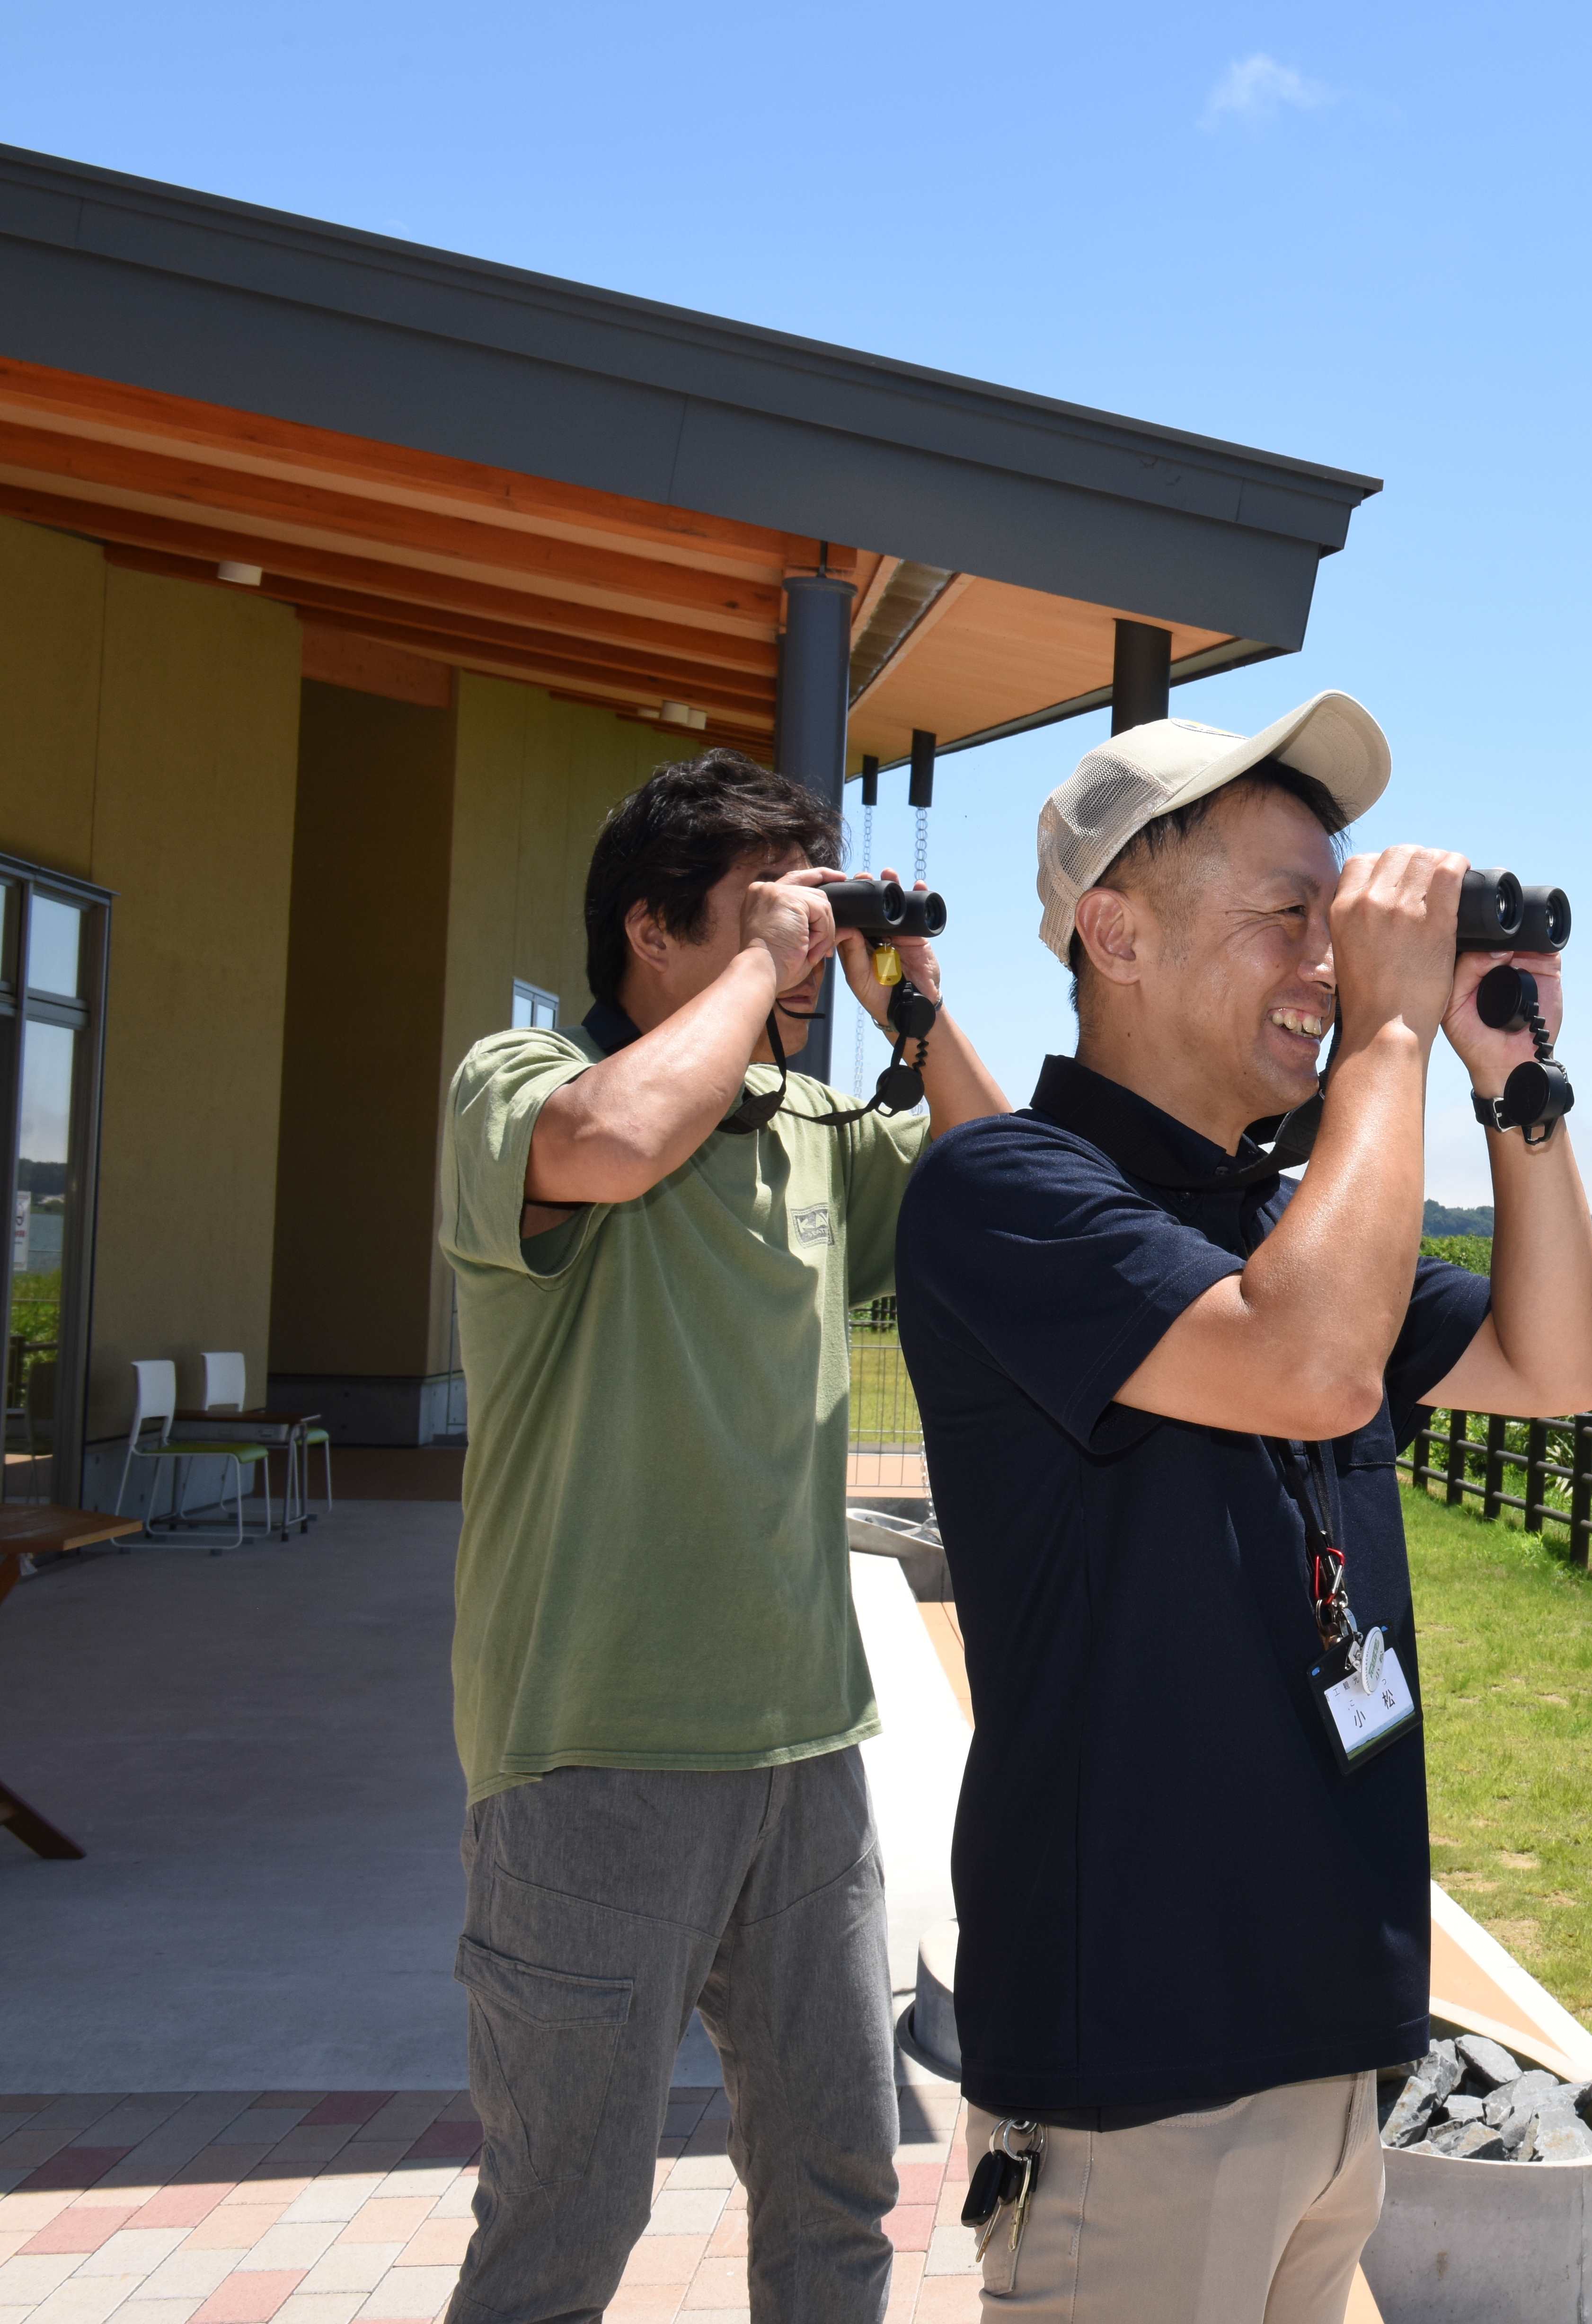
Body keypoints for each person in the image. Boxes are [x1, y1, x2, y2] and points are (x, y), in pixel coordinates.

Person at [894, 693, 1592, 2321]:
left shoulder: (1286, 1219)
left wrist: (1514, 1082)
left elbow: (1554, 1362)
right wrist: (1388, 1038)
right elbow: (1301, 1368)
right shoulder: (1006, 1191)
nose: (1328, 962)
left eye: (1338, 918)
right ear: (1115, 934)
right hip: (1138, 2080)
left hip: (1329, 2052)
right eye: (1290, 915)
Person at [436, 747, 1011, 2324]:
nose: (802, 950)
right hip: (592, 1754)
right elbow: (614, 1144)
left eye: (814, 912)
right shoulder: (519, 1080)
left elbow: (1006, 1189)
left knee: (838, 2196)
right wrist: (769, 960)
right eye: (766, 913)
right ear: (650, 930)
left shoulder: (816, 1127)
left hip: (805, 1754)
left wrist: (916, 1000)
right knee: (562, 2228)